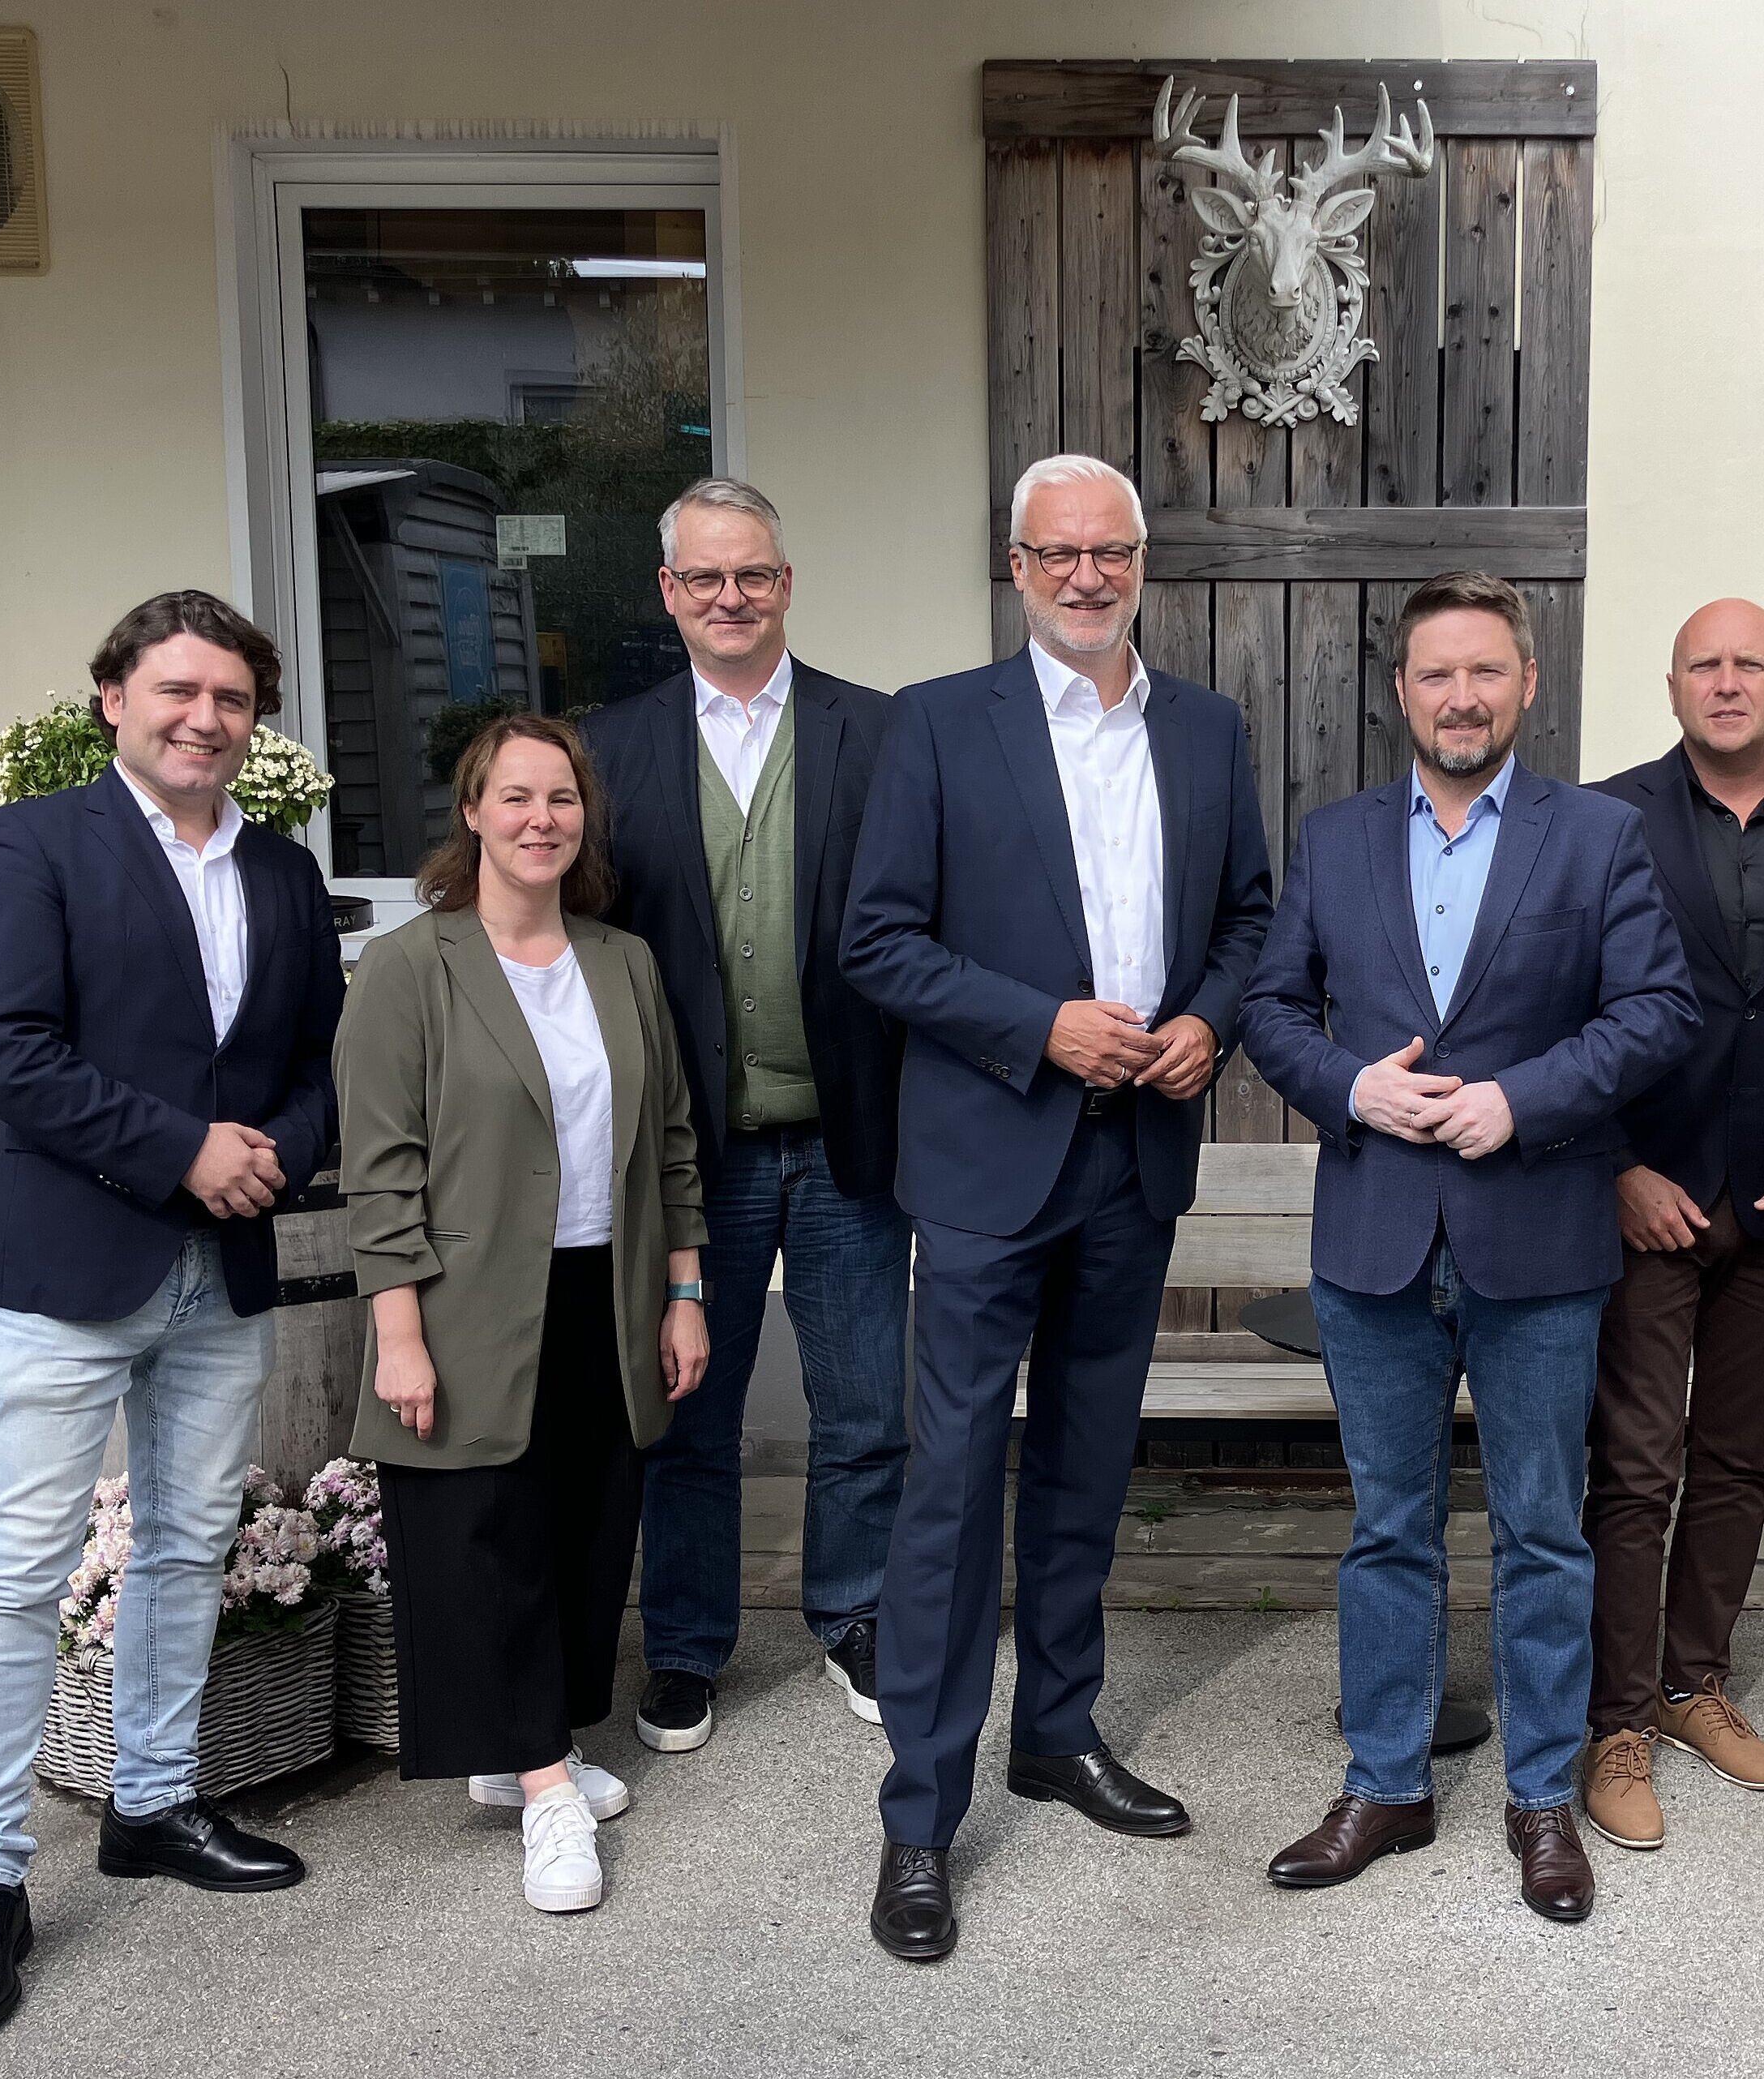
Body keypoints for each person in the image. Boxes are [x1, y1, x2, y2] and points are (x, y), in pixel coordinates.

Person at [841, 452, 1275, 1962]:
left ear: (1141, 561)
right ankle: (920, 1817)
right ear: (1014, 567)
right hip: (987, 1158)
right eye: (1056, 554)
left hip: (1136, 1153)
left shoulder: (1208, 729)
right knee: (955, 1487)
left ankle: (1060, 1732)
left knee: (1089, 1464)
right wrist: (1038, 1026)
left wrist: (1210, 1021)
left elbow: (1248, 919)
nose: (1086, 577)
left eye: (1110, 552)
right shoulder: (939, 726)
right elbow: (877, 942)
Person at [1242, 570, 1699, 1925]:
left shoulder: (1598, 838)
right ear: (1402, 692)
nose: (1462, 696)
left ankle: (1542, 1797)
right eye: (1437, 674)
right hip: (1376, 1229)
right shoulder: (1333, 840)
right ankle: (1386, 1780)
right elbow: (1270, 1009)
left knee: (1541, 1529)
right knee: (1389, 1526)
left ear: (1528, 684)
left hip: (1539, 1232)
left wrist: (1526, 1100)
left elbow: (1658, 1011)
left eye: (1486, 672)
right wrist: (1350, 1087)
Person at [0, 592, 344, 2040]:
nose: (204, 719)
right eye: (177, 690)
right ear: (113, 696)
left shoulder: (287, 874)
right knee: (18, 1575)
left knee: (184, 1544)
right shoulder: (31, 846)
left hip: (218, 1271)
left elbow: (314, 1061)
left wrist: (278, 1147)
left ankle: (153, 1804)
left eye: (232, 700)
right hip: (69, 1264)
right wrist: (184, 1149)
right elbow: (1, 1049)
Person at [335, 715, 709, 1916]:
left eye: (562, 798)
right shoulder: (412, 967)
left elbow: (671, 1144)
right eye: (516, 797)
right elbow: (379, 1169)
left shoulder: (622, 961)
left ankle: (527, 1741)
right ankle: (546, 1789)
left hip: (605, 1288)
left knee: (584, 1531)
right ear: (475, 814)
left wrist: (684, 1289)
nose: (541, 818)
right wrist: (399, 1330)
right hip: (468, 1301)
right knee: (482, 1537)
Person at [584, 478, 909, 1752]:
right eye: (706, 578)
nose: (732, 598)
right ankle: (685, 1643)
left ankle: (856, 1610)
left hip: (848, 1137)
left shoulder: (876, 734)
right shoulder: (608, 751)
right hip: (689, 1152)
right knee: (687, 1409)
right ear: (669, 592)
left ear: (787, 583)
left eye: (755, 575)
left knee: (864, 1403)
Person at [1577, 600, 1764, 1850]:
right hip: (1654, 1197)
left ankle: (1696, 1682)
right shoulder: (1601, 818)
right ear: (1672, 686)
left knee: (1740, 1457)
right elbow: (1556, 1008)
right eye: (1704, 662)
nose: (1726, 680)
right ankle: (1618, 1718)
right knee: (1637, 1465)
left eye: (1750, 661)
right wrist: (1614, 1169)